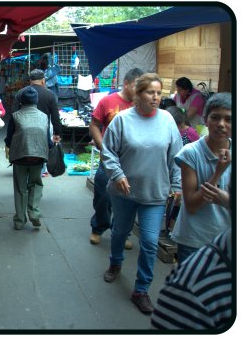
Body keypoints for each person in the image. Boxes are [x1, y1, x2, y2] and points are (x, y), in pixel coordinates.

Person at [101, 73, 183, 315]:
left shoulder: (168, 120)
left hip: (155, 193)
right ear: (137, 95)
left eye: (159, 93)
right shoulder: (122, 120)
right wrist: (117, 175)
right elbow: (108, 152)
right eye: (150, 92)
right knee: (119, 231)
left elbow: (176, 157)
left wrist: (177, 186)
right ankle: (115, 263)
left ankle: (141, 289)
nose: (155, 97)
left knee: (148, 242)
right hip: (123, 192)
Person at [169, 93, 231, 263]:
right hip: (194, 240)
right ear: (205, 119)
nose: (221, 125)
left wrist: (226, 199)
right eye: (215, 117)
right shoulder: (191, 153)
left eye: (229, 119)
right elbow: (191, 206)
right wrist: (218, 172)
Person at [88, 68, 144, 248]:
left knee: (128, 198)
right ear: (127, 84)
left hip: (132, 161)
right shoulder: (108, 101)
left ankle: (122, 231)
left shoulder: (142, 105)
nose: (140, 91)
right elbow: (94, 124)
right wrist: (102, 146)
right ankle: (98, 227)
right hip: (109, 159)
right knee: (103, 195)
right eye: (137, 86)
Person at [151, 227, 232, 329]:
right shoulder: (191, 287)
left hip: (210, 236)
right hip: (194, 236)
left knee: (149, 241)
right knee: (148, 241)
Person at [4, 87, 49, 230]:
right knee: (36, 184)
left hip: (20, 157)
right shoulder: (44, 116)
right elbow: (48, 141)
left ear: (21, 101)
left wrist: (9, 145)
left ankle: (19, 220)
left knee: (20, 188)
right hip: (38, 157)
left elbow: (9, 138)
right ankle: (34, 213)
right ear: (36, 102)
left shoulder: (16, 115)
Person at [11, 69, 62, 177]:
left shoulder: (21, 92)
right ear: (43, 81)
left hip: (23, 133)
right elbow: (55, 117)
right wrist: (57, 133)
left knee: (23, 156)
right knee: (40, 157)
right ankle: (37, 176)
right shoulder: (50, 95)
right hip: (43, 132)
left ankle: (24, 178)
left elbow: (14, 114)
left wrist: (11, 136)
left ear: (30, 81)